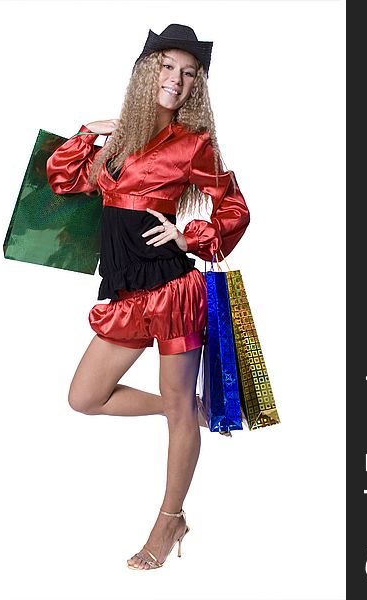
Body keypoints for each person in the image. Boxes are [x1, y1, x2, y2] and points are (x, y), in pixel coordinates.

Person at [46, 24, 250, 570]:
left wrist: (193, 236)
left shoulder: (193, 144)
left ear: (195, 87)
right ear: (146, 73)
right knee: (85, 397)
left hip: (172, 290)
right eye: (166, 67)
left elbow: (233, 207)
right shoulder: (118, 138)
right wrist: (89, 130)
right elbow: (65, 182)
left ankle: (169, 521)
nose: (176, 80)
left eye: (187, 73)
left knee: (180, 409)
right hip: (123, 291)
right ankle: (188, 410)